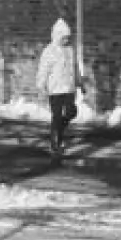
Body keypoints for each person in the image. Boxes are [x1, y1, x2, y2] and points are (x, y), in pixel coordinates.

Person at [35, 17, 81, 157]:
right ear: (57, 36)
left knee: (71, 112)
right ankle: (55, 142)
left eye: (68, 38)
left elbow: (75, 68)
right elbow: (43, 69)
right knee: (56, 115)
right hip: (55, 90)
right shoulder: (49, 51)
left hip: (69, 89)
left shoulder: (70, 50)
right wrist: (41, 85)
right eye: (64, 38)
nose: (66, 41)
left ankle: (59, 130)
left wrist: (80, 82)